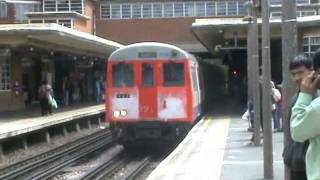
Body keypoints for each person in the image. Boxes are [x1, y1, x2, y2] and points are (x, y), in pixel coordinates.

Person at [290, 53, 318, 180]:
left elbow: (297, 130)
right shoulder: (297, 97)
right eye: (293, 74)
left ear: (312, 71)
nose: (297, 78)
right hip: (298, 161)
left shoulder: (313, 98)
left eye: (300, 72)